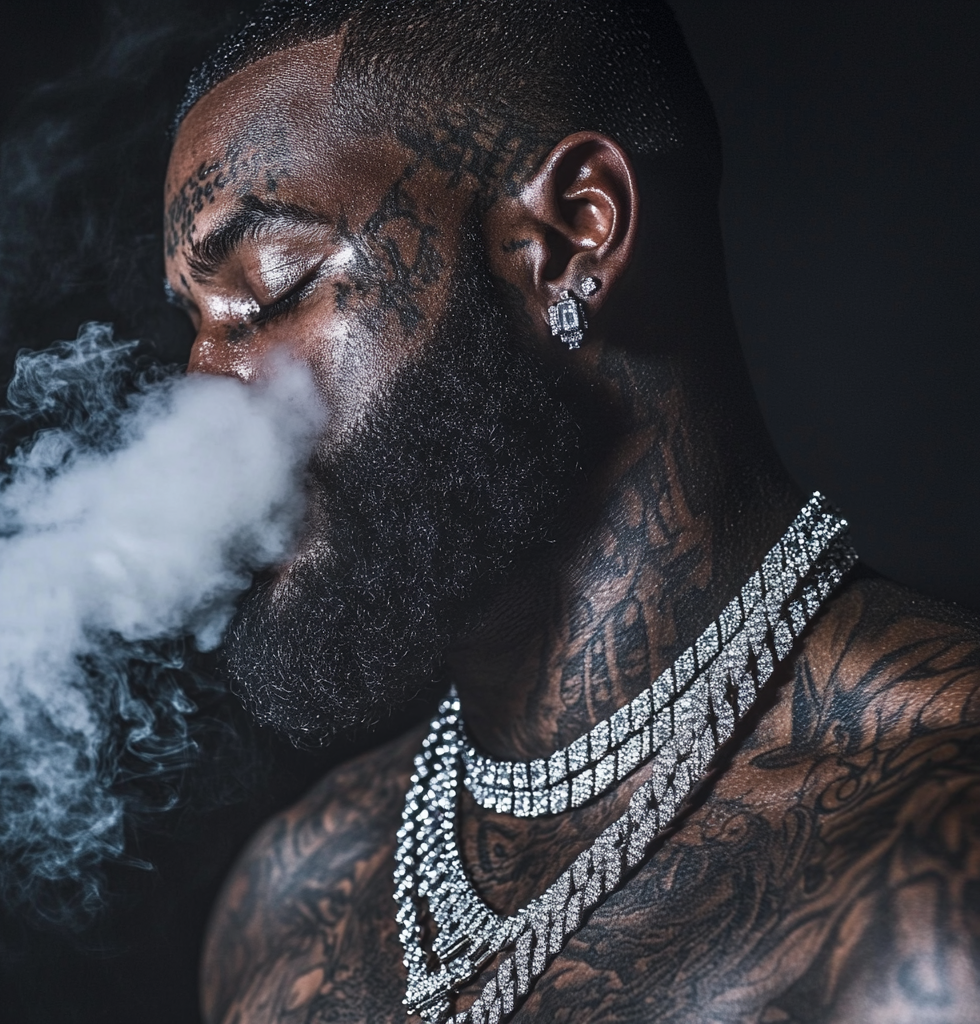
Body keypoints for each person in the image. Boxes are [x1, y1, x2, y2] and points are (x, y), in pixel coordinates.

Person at [162, 1, 980, 1020]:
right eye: (196, 328)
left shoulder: (936, 852)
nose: (200, 405)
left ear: (570, 235)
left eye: (273, 290)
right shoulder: (283, 903)